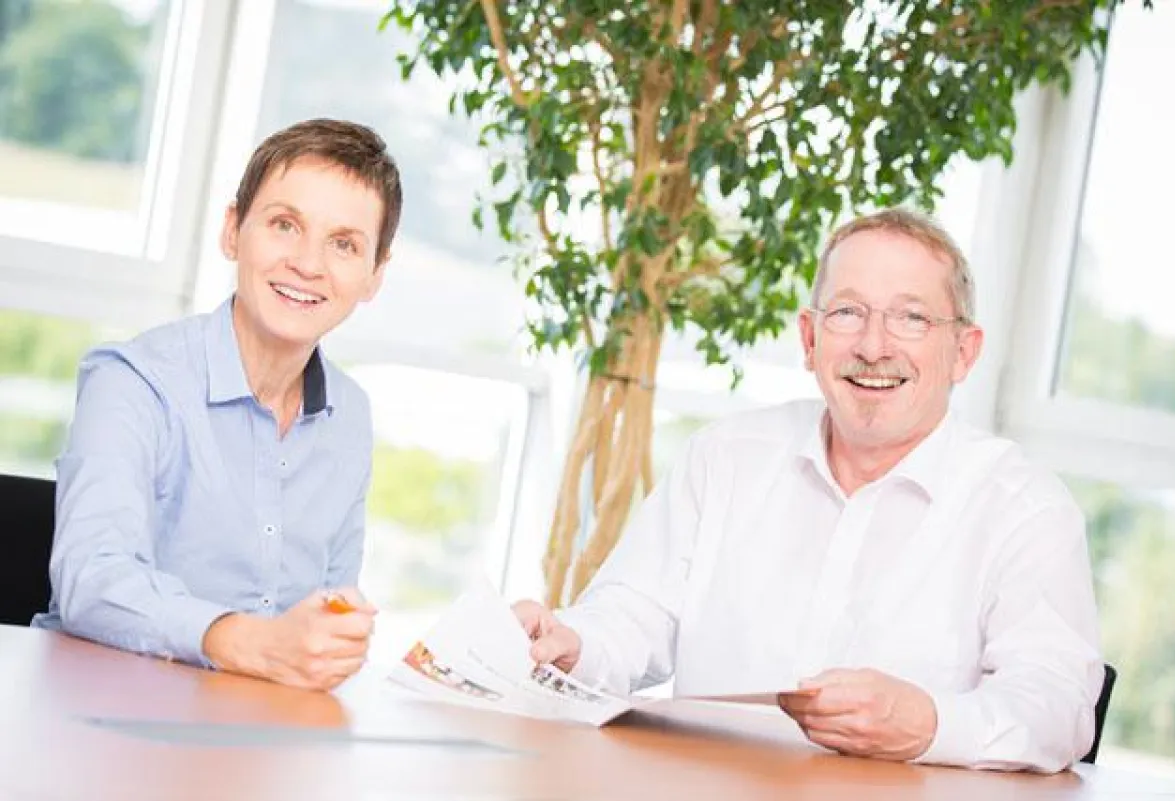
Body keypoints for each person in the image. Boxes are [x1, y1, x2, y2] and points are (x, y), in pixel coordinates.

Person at [515, 208, 1102, 772]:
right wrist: (572, 643)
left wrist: (930, 724)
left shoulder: (1026, 509)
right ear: (809, 338)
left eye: (912, 318)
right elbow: (631, 616)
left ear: (964, 353)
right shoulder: (725, 458)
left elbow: (1059, 709)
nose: (874, 347)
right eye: (847, 312)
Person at [33, 118, 401, 691]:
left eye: (344, 244)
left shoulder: (349, 415)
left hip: (257, 723)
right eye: (285, 225)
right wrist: (252, 643)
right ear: (233, 231)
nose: (308, 264)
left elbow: (331, 605)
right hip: (98, 711)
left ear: (374, 275)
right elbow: (91, 580)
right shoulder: (132, 382)